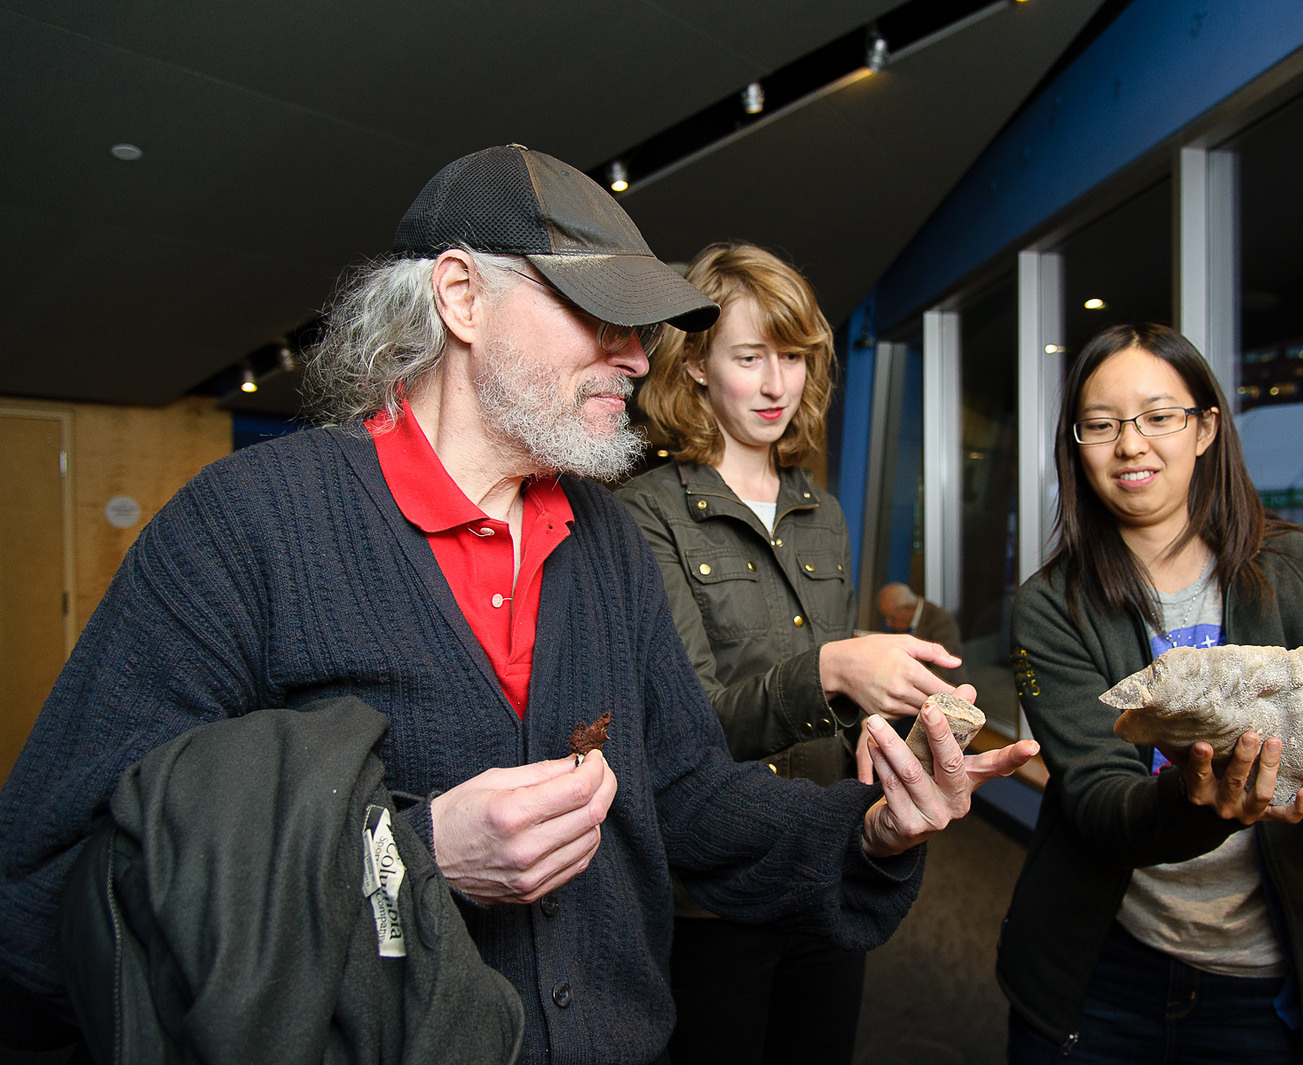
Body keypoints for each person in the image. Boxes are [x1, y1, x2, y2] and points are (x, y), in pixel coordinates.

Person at [0, 145, 1037, 1065]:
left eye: (645, 330)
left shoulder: (606, 544)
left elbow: (683, 793)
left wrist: (871, 833)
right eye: (603, 319)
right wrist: (414, 859)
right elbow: (62, 877)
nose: (638, 358)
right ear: (460, 296)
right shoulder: (245, 527)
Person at [996, 323, 1303, 1064]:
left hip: (1263, 984)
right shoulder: (1050, 606)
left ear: (1206, 429)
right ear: (1076, 444)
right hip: (1098, 976)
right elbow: (1099, 801)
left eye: (1159, 416)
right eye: (1101, 425)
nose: (1131, 445)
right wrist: (1203, 798)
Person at [616, 242, 970, 1064]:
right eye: (750, 357)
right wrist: (833, 669)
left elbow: (844, 723)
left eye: (795, 358)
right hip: (713, 892)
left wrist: (911, 750)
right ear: (697, 363)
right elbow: (689, 729)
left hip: (825, 859)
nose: (778, 384)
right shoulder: (645, 512)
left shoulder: (822, 512)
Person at [877, 582, 969, 686]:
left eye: (892, 618)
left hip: (946, 687)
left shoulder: (940, 621)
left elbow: (943, 670)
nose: (888, 623)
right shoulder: (901, 624)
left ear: (908, 609)